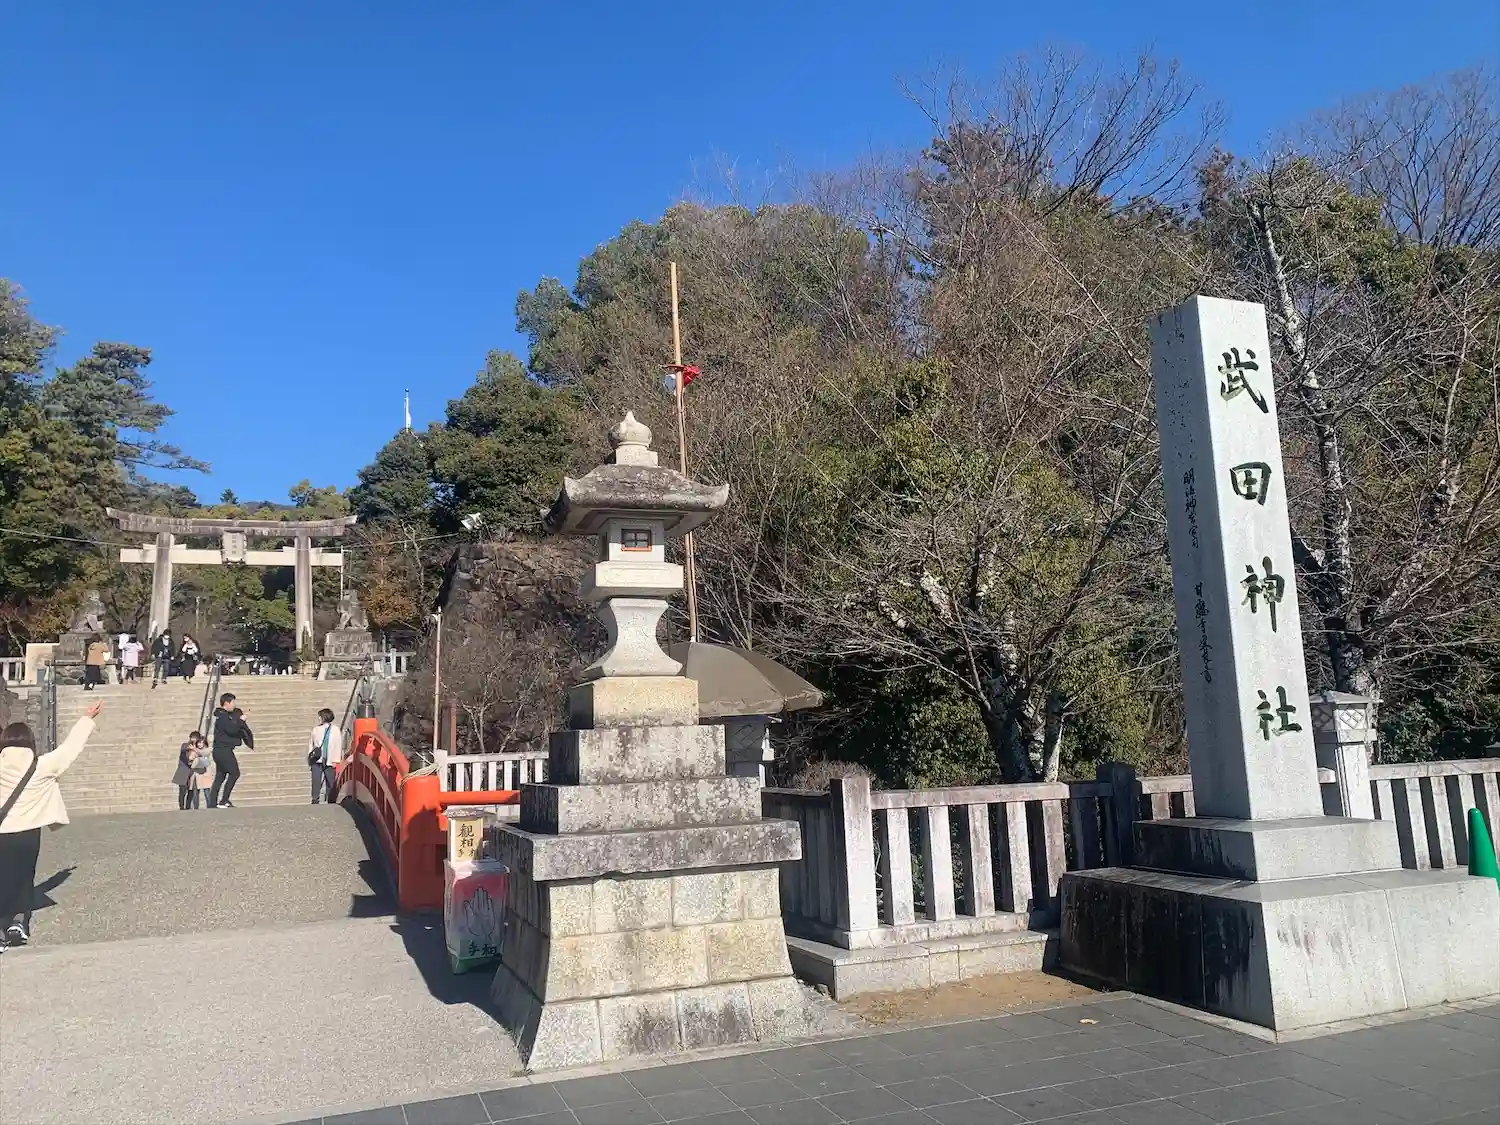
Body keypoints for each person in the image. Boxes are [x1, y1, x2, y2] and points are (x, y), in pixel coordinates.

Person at [0, 703, 104, 950]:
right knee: (24, 877)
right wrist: (87, 718)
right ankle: (17, 923)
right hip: (28, 832)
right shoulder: (43, 765)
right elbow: (70, 749)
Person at [207, 693, 252, 809]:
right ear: (226, 703)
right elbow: (231, 729)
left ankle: (212, 803)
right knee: (234, 773)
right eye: (232, 702)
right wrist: (241, 721)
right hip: (223, 750)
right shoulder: (222, 717)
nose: (234, 705)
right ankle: (224, 800)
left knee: (220, 776)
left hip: (221, 750)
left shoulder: (224, 715)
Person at [307, 708, 344, 805]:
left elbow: (338, 745)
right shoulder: (316, 729)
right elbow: (311, 744)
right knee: (316, 780)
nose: (319, 718)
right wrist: (310, 756)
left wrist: (336, 760)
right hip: (317, 759)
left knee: (330, 781)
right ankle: (315, 799)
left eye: (320, 716)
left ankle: (331, 799)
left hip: (330, 759)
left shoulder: (335, 730)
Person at [172, 731, 210, 810]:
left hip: (192, 774)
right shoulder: (185, 745)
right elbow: (184, 748)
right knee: (182, 791)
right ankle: (181, 807)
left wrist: (196, 749)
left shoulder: (198, 749)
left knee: (191, 792)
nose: (193, 740)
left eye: (195, 738)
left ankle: (188, 807)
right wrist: (191, 748)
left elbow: (204, 754)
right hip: (183, 772)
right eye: (192, 738)